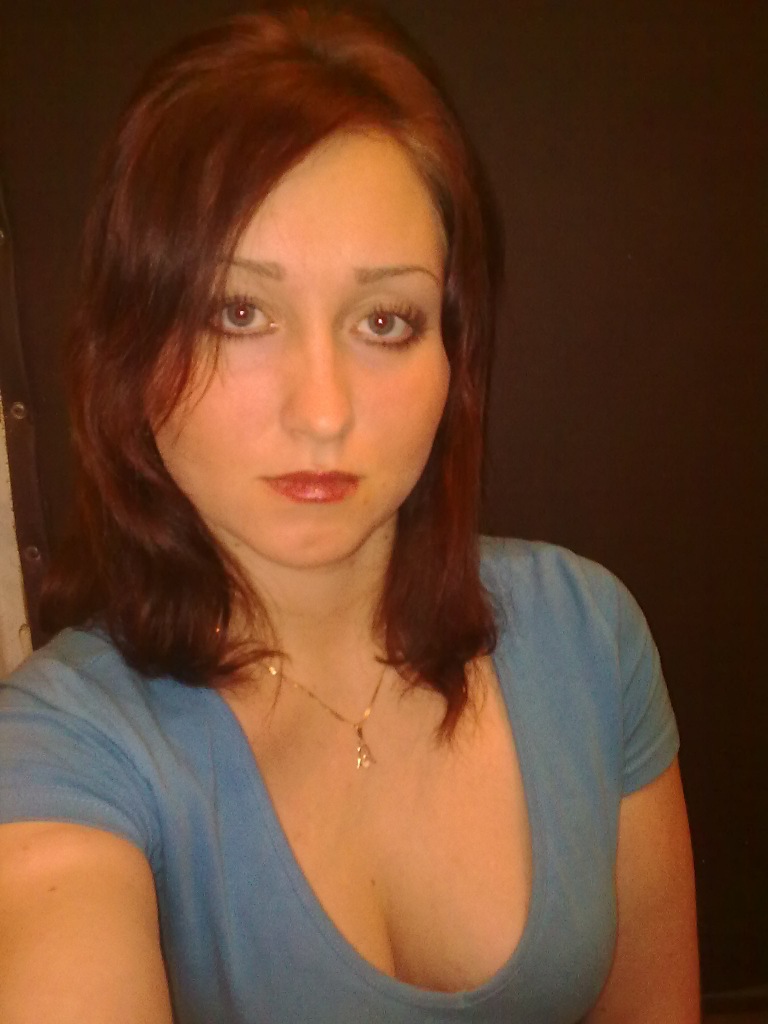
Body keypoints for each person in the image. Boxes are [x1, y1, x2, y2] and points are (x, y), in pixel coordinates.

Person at [0, 4, 699, 1022]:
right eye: (240, 312)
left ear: (452, 352)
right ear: (133, 346)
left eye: (385, 320)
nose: (323, 411)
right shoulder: (65, 745)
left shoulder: (588, 637)